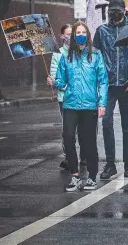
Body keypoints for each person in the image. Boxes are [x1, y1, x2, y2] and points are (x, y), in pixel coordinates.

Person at [93, 0, 128, 180]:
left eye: (118, 10)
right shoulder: (101, 31)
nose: (114, 14)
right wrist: (99, 79)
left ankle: (127, 165)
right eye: (112, 11)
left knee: (127, 127)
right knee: (106, 122)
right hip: (108, 86)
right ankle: (110, 165)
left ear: (124, 10)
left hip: (127, 85)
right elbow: (94, 56)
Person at [54, 22, 108, 192]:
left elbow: (103, 81)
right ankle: (75, 175)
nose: (81, 34)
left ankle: (92, 177)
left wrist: (102, 103)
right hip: (70, 104)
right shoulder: (67, 56)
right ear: (74, 36)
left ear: (88, 35)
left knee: (88, 142)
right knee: (68, 138)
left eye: (84, 32)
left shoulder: (96, 55)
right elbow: (62, 81)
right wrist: (55, 81)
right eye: (78, 32)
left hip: (90, 105)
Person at [48, 24, 75, 170]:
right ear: (62, 36)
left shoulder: (80, 52)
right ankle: (69, 157)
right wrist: (53, 81)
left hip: (79, 97)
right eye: (67, 34)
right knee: (67, 129)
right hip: (64, 98)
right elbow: (55, 77)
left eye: (72, 33)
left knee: (80, 128)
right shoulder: (57, 54)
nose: (70, 37)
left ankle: (83, 156)